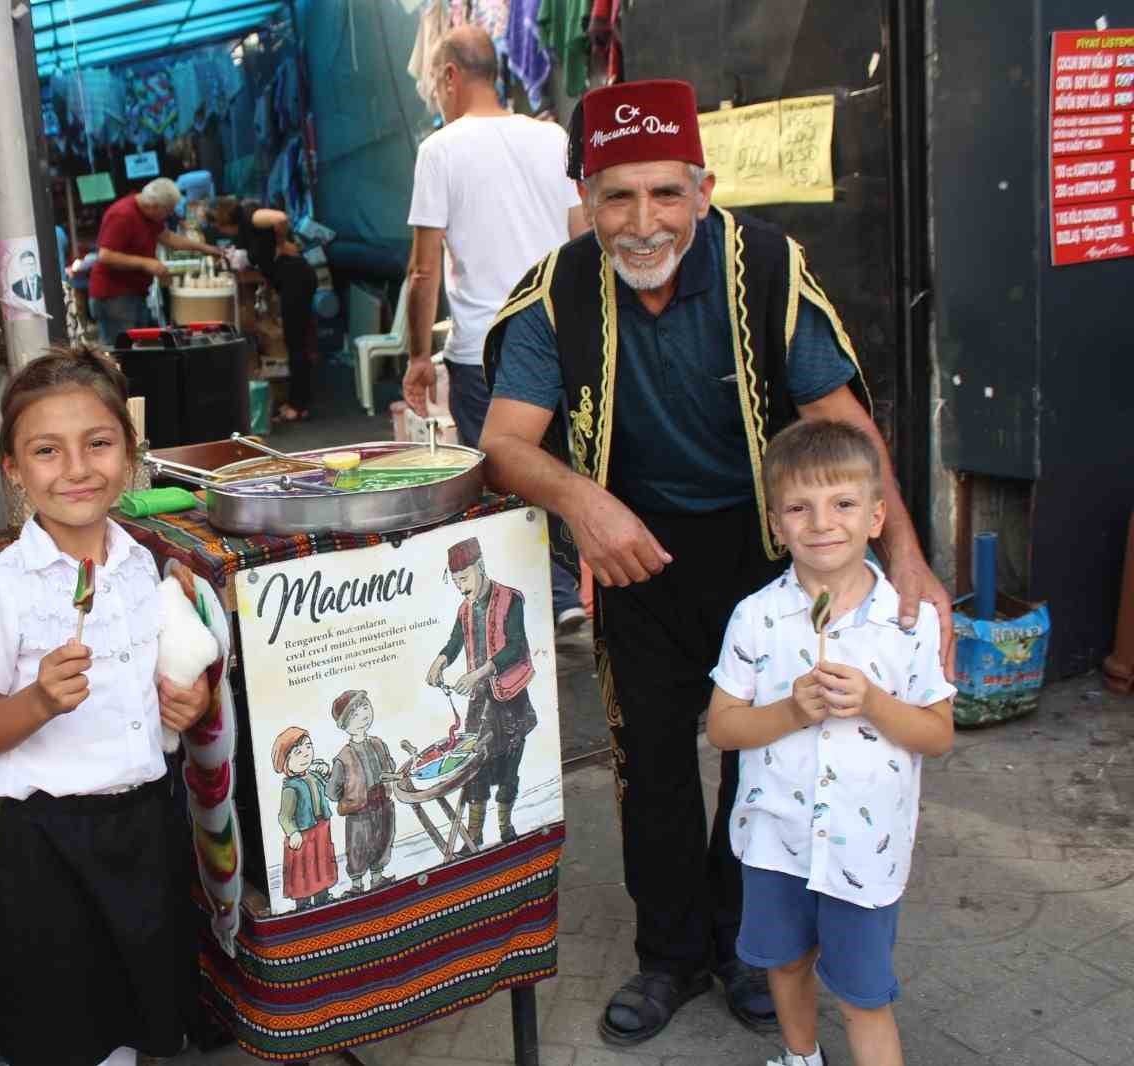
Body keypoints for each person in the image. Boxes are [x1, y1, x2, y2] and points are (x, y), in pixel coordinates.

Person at [476, 80, 954, 1046]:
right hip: (633, 554)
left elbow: (844, 430)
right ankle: (670, 955)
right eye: (617, 196)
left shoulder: (766, 269)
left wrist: (907, 556)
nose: (642, 220)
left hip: (764, 551)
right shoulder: (559, 289)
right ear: (586, 197)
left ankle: (747, 945)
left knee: (765, 751)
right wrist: (585, 502)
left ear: (702, 188)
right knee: (648, 762)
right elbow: (505, 445)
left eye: (664, 193)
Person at [0, 349, 213, 1066]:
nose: (77, 469)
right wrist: (36, 701)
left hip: (149, 823)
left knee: (142, 1012)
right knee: (77, 1035)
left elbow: (163, 682)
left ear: (129, 452)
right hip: (54, 844)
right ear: (14, 469)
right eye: (46, 451)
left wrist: (188, 699)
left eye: (98, 443)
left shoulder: (144, 566)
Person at [707, 419, 954, 1066]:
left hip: (862, 854)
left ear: (877, 517)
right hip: (775, 840)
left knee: (864, 993)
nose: (822, 523)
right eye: (799, 507)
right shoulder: (756, 618)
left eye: (843, 504)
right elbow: (723, 726)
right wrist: (791, 709)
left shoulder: (909, 623)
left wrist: (873, 703)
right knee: (785, 966)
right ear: (776, 523)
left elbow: (937, 734)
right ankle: (800, 1057)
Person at [401, 25, 591, 634]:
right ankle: (565, 591)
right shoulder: (552, 136)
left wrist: (417, 355)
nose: (436, 93)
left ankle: (530, 601)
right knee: (562, 463)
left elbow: (422, 268)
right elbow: (583, 236)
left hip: (484, 344)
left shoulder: (440, 150)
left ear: (452, 75)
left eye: (435, 82)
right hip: (561, 334)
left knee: (504, 476)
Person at [424, 537, 537, 850]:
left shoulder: (510, 599)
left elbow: (516, 647)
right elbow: (454, 642)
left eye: (465, 578)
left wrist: (478, 673)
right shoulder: (465, 609)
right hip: (480, 704)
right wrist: (440, 660)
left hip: (510, 698)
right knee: (476, 769)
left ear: (481, 568)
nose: (462, 587)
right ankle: (474, 835)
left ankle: (506, 826)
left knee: (510, 764)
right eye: (457, 581)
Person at [210, 195, 319, 422]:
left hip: (296, 278)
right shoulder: (246, 231)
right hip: (288, 280)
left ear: (223, 221)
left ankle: (298, 405)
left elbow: (280, 218)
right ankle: (297, 400)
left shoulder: (252, 216)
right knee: (295, 340)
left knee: (296, 341)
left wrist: (281, 243)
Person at [88, 177, 223, 346]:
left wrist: (207, 249)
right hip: (114, 296)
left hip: (133, 293)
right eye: (168, 212)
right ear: (155, 206)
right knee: (119, 352)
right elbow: (105, 255)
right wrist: (146, 263)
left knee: (139, 350)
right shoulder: (122, 214)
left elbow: (168, 238)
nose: (168, 216)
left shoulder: (149, 216)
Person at [327, 689, 397, 896]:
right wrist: (350, 795)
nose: (363, 715)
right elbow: (332, 791)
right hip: (359, 810)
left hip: (383, 802)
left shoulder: (378, 743)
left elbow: (389, 767)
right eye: (355, 713)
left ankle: (377, 879)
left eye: (365, 707)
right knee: (358, 847)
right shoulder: (343, 756)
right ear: (345, 724)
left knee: (383, 839)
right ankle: (357, 886)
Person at [272, 725, 338, 910]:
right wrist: (292, 832)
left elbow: (329, 786)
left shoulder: (314, 776)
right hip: (303, 836)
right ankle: (303, 905)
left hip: (320, 830)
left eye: (308, 747)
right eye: (297, 752)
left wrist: (328, 771)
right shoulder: (290, 788)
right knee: (304, 871)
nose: (305, 754)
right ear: (286, 761)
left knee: (321, 866)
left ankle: (322, 899)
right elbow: (284, 816)